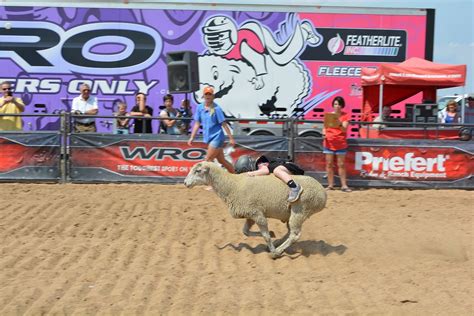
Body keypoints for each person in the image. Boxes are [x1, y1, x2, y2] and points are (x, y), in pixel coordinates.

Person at [188, 86, 235, 173]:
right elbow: (197, 124)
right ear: (203, 96)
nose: (208, 96)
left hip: (217, 137)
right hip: (209, 138)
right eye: (206, 94)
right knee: (222, 161)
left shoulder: (217, 109)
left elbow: (224, 124)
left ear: (213, 96)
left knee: (208, 160)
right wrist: (192, 137)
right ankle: (235, 176)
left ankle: (211, 184)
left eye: (210, 94)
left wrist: (231, 138)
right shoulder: (199, 107)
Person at [239, 155, 304, 203]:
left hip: (289, 166)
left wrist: (251, 173)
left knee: (277, 170)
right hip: (287, 168)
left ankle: (294, 187)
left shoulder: (260, 163)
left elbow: (265, 171)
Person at [322, 96, 351, 192]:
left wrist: (338, 121)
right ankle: (330, 185)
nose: (337, 106)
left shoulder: (345, 116)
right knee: (329, 164)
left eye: (338, 104)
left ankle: (344, 185)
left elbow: (344, 129)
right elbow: (325, 127)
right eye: (335, 104)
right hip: (329, 142)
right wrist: (324, 133)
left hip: (340, 142)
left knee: (341, 164)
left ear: (342, 105)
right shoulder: (329, 115)